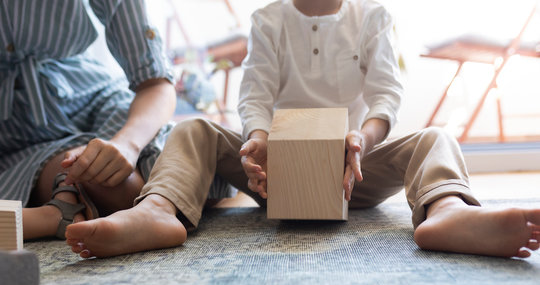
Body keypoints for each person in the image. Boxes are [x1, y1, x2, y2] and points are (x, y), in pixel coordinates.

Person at [65, 0, 540, 259]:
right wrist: (257, 138)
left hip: (350, 170)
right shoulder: (268, 20)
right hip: (272, 168)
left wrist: (363, 139)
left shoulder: (372, 17)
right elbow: (254, 93)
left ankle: (447, 210)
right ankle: (158, 210)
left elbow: (385, 97)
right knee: (195, 131)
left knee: (434, 138)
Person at [0, 0, 177, 240]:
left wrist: (127, 144)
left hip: (96, 101)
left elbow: (155, 83)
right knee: (119, 188)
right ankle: (60, 211)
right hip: (17, 137)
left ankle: (65, 207)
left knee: (185, 170)